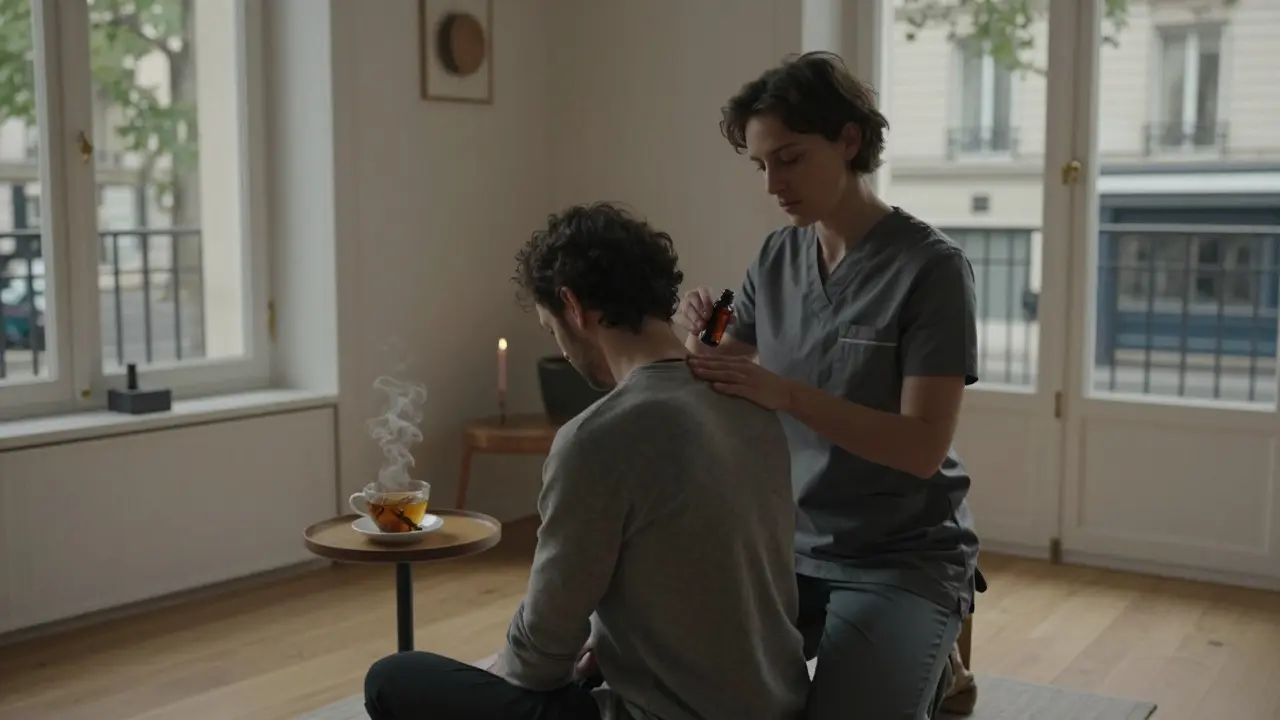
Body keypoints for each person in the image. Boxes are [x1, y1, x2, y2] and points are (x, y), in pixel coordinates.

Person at [363, 202, 810, 720]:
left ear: (572, 306)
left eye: (551, 329)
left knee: (394, 678)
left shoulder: (597, 437)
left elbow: (540, 655)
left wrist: (507, 668)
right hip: (779, 707)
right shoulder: (751, 406)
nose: (562, 348)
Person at [680, 51, 983, 719]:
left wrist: (787, 394)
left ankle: (935, 660)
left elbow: (922, 448)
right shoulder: (775, 254)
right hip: (790, 543)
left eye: (789, 159)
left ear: (848, 140)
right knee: (680, 677)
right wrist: (706, 317)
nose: (773, 184)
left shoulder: (932, 269)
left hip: (901, 552)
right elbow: (719, 342)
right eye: (761, 166)